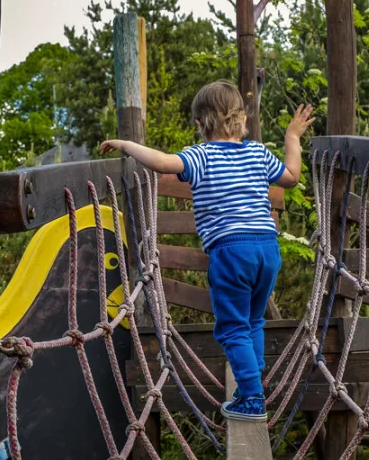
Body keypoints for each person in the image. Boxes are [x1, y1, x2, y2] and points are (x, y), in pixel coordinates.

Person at [100, 80, 315, 421]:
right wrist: (292, 137)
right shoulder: (257, 153)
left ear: (199, 125)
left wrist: (127, 144)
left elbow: (162, 163)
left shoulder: (201, 155)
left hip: (232, 253)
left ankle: (251, 397)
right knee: (253, 319)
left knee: (232, 327)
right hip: (267, 249)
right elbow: (291, 176)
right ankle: (252, 379)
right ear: (242, 121)